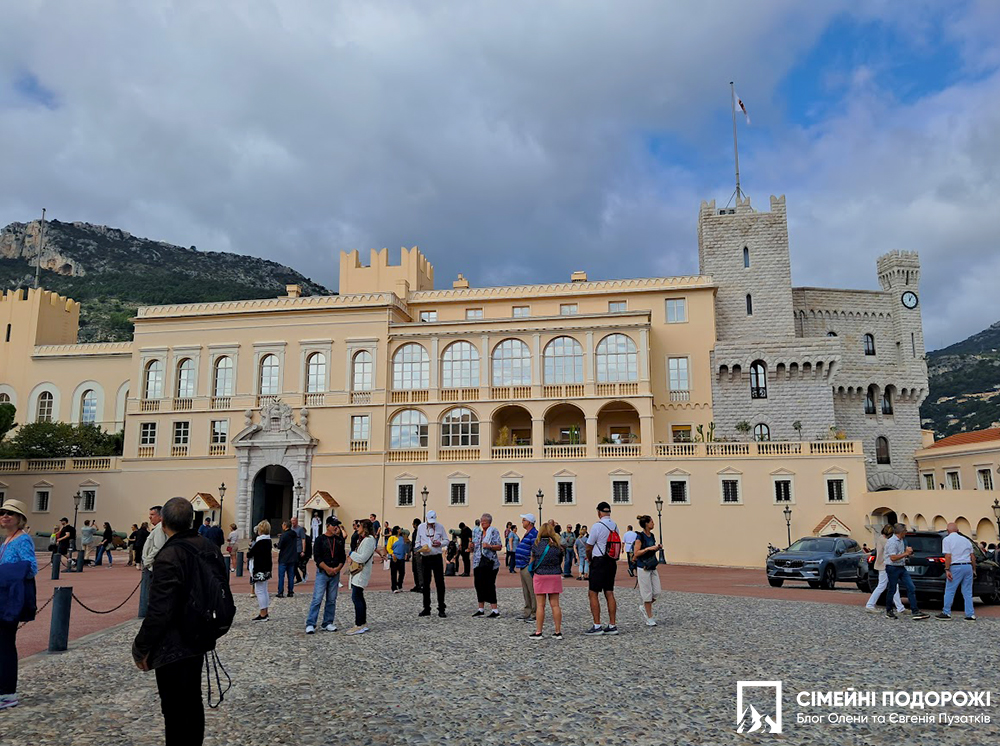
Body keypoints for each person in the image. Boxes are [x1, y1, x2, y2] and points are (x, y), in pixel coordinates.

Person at [132, 496, 233, 746]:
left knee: (175, 709)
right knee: (192, 701)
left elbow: (160, 611)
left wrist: (141, 647)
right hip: (199, 635)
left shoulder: (168, 555)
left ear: (163, 523)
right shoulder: (209, 547)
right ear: (192, 520)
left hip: (174, 641)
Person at [0, 499, 38, 710]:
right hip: (3, 594)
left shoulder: (22, 539)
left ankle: (7, 693)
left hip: (10, 598)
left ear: (20, 519)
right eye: (3, 512)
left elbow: (31, 568)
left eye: (10, 514)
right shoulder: (7, 540)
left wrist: (8, 574)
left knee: (5, 644)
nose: (5, 516)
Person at [585, 501, 620, 635]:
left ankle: (597, 625)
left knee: (593, 592)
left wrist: (589, 558)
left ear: (599, 512)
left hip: (599, 561)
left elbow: (589, 546)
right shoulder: (615, 526)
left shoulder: (597, 526)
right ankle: (612, 625)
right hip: (611, 561)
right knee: (609, 592)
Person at [306, 516, 345, 634]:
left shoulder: (338, 540)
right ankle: (311, 623)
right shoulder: (320, 540)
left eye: (337, 525)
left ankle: (328, 622)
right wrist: (327, 568)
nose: (336, 527)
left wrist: (337, 568)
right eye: (334, 525)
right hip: (323, 572)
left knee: (332, 599)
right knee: (317, 598)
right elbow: (317, 557)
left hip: (335, 572)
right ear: (327, 526)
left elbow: (342, 557)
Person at [883, 523, 929, 621]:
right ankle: (889, 610)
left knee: (911, 587)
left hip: (901, 567)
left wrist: (908, 554)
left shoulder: (901, 541)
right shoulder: (892, 542)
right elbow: (893, 557)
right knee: (892, 588)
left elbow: (901, 554)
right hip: (892, 567)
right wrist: (905, 553)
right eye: (905, 531)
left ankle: (915, 610)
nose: (906, 532)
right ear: (901, 532)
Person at [529, 522, 564, 639]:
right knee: (555, 605)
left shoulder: (536, 544)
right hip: (554, 575)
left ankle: (539, 631)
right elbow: (560, 561)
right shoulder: (557, 546)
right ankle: (558, 631)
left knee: (540, 605)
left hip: (540, 575)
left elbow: (532, 560)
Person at [937, 522, 977, 621]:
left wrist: (947, 569)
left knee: (950, 590)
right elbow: (972, 557)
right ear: (958, 530)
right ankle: (970, 614)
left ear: (947, 531)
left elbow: (948, 556)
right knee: (967, 592)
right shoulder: (966, 540)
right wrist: (974, 569)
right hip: (967, 566)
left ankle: (946, 612)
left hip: (956, 566)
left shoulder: (947, 540)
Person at [346, 518, 378, 635]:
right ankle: (362, 622)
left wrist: (351, 554)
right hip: (358, 573)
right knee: (359, 597)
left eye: (359, 526)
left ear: (364, 528)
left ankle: (359, 624)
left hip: (361, 573)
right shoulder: (365, 540)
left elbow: (363, 557)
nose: (356, 527)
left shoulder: (369, 540)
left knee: (356, 597)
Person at [414, 510, 448, 618]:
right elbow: (417, 543)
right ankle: (426, 608)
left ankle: (441, 608)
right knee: (425, 583)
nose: (431, 524)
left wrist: (440, 543)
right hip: (425, 557)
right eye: (430, 522)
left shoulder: (440, 527)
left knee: (440, 583)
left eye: (433, 522)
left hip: (437, 557)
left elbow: (447, 540)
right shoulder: (420, 528)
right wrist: (421, 549)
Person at [864, 524, 904, 615]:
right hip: (884, 565)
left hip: (884, 565)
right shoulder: (885, 541)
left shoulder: (881, 538)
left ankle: (900, 607)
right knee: (882, 585)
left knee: (893, 586)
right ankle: (870, 605)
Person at [472, 513, 503, 618]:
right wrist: (471, 546)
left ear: (489, 522)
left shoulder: (493, 531)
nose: (482, 523)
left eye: (484, 522)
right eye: (481, 521)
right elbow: (475, 547)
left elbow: (499, 546)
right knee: (478, 585)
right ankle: (480, 609)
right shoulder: (479, 533)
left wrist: (489, 546)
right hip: (478, 562)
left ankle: (495, 610)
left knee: (489, 585)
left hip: (490, 563)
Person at [633, 515, 662, 626]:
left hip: (652, 565)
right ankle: (649, 618)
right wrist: (648, 549)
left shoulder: (652, 535)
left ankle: (644, 607)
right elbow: (636, 553)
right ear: (646, 524)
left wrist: (657, 547)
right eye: (652, 522)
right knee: (647, 593)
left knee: (657, 591)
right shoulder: (640, 537)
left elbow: (652, 549)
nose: (653, 524)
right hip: (643, 566)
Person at [514, 514, 539, 623]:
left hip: (528, 565)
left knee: (531, 589)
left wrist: (531, 563)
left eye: (524, 520)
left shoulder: (533, 534)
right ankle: (528, 611)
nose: (522, 522)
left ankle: (534, 613)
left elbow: (535, 549)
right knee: (526, 590)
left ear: (529, 522)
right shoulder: (527, 533)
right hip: (522, 565)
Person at [247, 520, 272, 621]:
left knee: (260, 591)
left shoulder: (260, 542)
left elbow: (251, 554)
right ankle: (265, 611)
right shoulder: (268, 541)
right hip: (266, 568)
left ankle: (263, 613)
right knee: (264, 590)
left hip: (259, 568)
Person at [276, 521, 297, 598]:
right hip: (292, 557)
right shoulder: (294, 534)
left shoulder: (284, 535)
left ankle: (280, 592)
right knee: (291, 576)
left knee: (281, 576)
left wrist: (277, 545)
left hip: (284, 557)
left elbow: (280, 546)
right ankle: (290, 591)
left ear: (285, 526)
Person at [143, 505, 167, 571]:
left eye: (152, 514)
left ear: (160, 516)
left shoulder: (159, 529)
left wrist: (147, 561)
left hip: (152, 567)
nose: (150, 517)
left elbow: (158, 547)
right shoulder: (158, 528)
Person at [390, 528, 409, 593]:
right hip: (394, 556)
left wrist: (406, 553)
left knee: (402, 572)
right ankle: (394, 587)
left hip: (402, 557)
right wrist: (392, 554)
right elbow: (388, 547)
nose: (400, 529)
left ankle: (400, 584)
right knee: (394, 573)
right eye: (399, 529)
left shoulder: (402, 538)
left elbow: (405, 546)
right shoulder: (392, 538)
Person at [291, 516, 308, 583]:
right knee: (293, 565)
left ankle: (299, 577)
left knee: (295, 564)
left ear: (296, 521)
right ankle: (298, 577)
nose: (292, 522)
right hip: (293, 549)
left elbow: (303, 540)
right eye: (292, 521)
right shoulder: (291, 529)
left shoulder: (300, 529)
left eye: (294, 521)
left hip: (298, 549)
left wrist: (303, 550)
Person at [409, 518, 423, 592]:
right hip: (414, 553)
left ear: (415, 524)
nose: (412, 525)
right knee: (415, 570)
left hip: (419, 553)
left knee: (419, 570)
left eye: (413, 524)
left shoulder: (420, 532)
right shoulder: (415, 532)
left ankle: (421, 585)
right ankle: (417, 584)